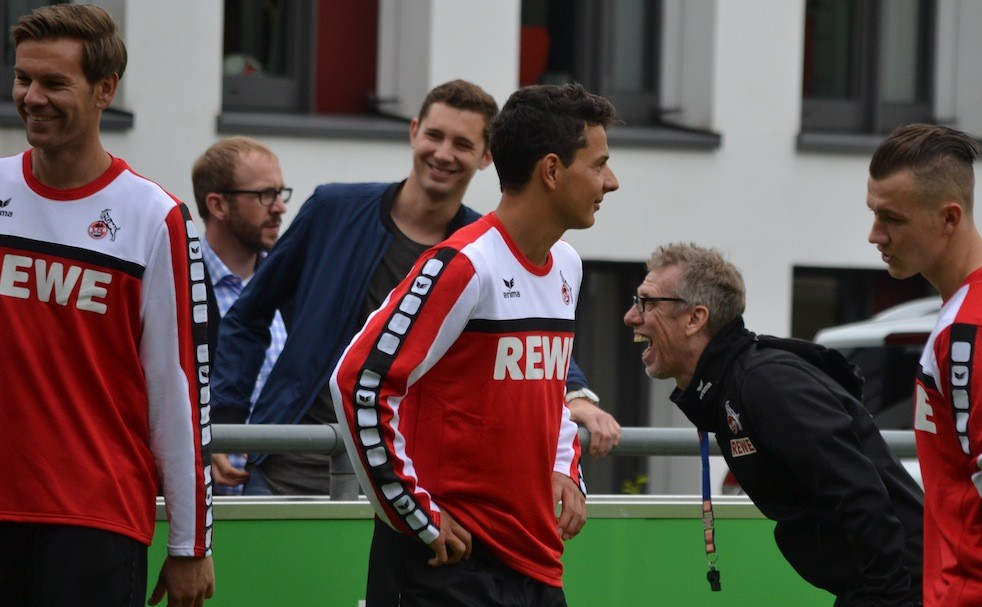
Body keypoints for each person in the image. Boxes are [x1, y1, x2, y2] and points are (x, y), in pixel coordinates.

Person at [211, 79, 620, 496]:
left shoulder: (483, 250)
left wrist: (576, 395)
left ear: (486, 156)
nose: (442, 154)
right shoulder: (332, 209)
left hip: (404, 478)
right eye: (434, 135)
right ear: (413, 132)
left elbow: (531, 325)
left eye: (462, 144)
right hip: (289, 468)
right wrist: (223, 415)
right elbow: (249, 313)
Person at [333, 82, 619, 606]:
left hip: (536, 564)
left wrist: (565, 467)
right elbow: (358, 382)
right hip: (447, 565)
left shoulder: (568, 266)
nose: (612, 181)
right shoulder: (463, 265)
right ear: (552, 171)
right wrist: (414, 515)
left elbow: (547, 388)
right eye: (599, 164)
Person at [0, 5, 215, 607]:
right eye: (23, 79)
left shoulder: (156, 217)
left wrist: (190, 544)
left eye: (53, 83)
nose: (31, 97)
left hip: (94, 522)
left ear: (104, 89)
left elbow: (179, 389)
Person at [624, 242, 924, 606]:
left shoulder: (764, 382)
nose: (631, 316)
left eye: (647, 302)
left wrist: (887, 598)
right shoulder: (731, 384)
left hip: (905, 588)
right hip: (880, 586)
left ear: (695, 318)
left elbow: (859, 491)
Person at [866, 124, 982, 605]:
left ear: (949, 218)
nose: (875, 235)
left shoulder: (969, 331)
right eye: (874, 214)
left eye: (892, 218)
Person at [192, 136, 290, 494]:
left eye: (281, 193)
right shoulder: (175, 283)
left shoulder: (291, 286)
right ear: (218, 204)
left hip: (281, 497)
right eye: (265, 195)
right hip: (198, 501)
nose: (279, 207)